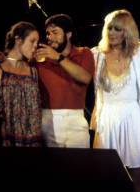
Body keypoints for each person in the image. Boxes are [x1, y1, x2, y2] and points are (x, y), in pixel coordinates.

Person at [91, 9, 140, 192]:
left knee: (137, 183)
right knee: (108, 182)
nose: (112, 33)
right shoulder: (96, 55)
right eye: (109, 28)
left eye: (117, 29)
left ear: (127, 31)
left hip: (133, 118)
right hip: (107, 119)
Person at [32, 14, 95, 148]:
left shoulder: (84, 53)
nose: (50, 37)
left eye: (55, 32)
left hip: (76, 120)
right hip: (48, 119)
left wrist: (58, 57)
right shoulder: (40, 56)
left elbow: (85, 78)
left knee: (79, 165)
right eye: (48, 33)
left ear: (69, 34)